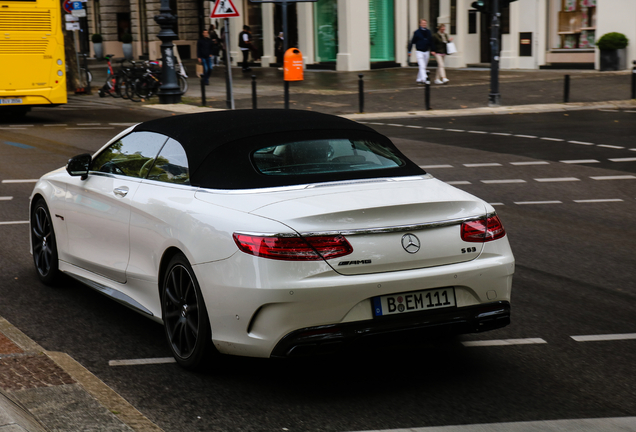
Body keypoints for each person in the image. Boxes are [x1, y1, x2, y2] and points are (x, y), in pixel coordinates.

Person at [408, 19, 434, 85]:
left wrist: (433, 50)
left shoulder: (428, 32)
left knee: (423, 66)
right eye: (423, 23)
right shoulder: (417, 32)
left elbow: (431, 41)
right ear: (420, 24)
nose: (424, 24)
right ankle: (424, 78)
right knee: (422, 65)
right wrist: (409, 50)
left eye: (425, 23)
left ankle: (419, 79)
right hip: (419, 51)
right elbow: (412, 42)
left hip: (426, 51)